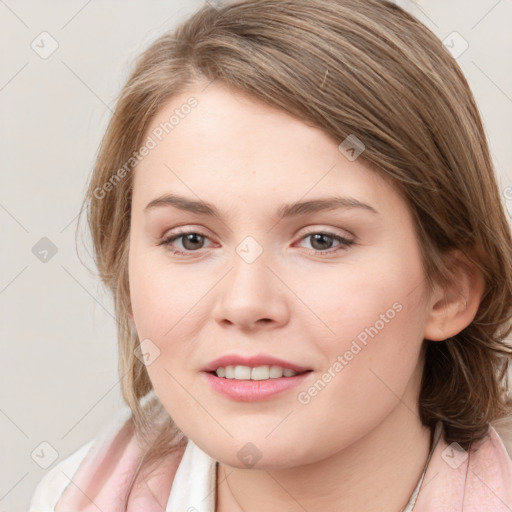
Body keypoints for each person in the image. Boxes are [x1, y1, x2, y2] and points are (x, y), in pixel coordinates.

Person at [30, 0, 512, 510]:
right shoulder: (68, 497)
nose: (244, 303)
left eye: (322, 240)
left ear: (449, 290)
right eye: (189, 240)